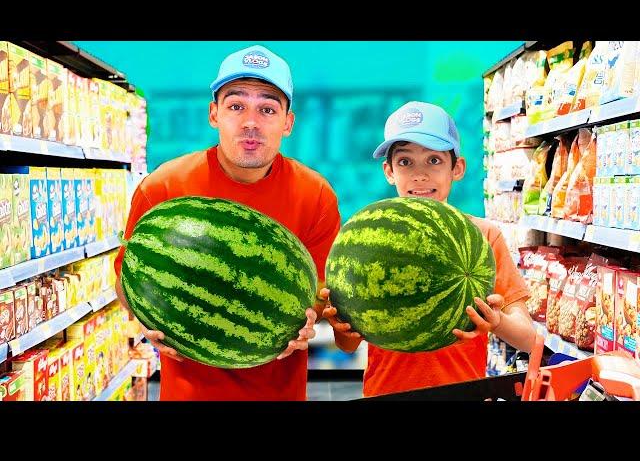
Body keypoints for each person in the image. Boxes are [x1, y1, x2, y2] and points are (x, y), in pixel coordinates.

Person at [114, 45, 341, 400]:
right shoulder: (163, 187)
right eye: (236, 106)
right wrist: (144, 319)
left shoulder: (316, 195)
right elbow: (125, 280)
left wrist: (310, 318)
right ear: (214, 113)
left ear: (287, 122)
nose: (250, 122)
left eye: (267, 108)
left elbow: (320, 296)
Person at [321, 101, 536, 398]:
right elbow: (348, 345)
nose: (419, 175)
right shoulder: (368, 240)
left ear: (456, 168)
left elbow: (529, 339)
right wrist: (343, 328)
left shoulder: (483, 237)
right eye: (405, 162)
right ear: (389, 171)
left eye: (433, 160)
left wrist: (497, 322)